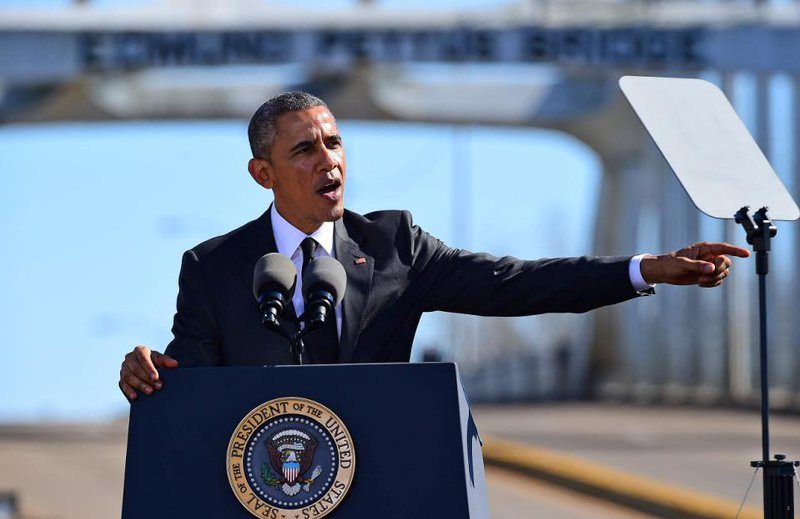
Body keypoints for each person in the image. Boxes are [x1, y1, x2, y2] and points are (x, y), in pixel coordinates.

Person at [118, 92, 749, 401]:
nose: (328, 161)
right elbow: (188, 380)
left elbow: (517, 284)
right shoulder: (214, 267)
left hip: (378, 480)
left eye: (334, 143)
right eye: (305, 150)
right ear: (264, 174)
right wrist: (146, 371)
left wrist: (647, 269)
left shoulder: (395, 246)